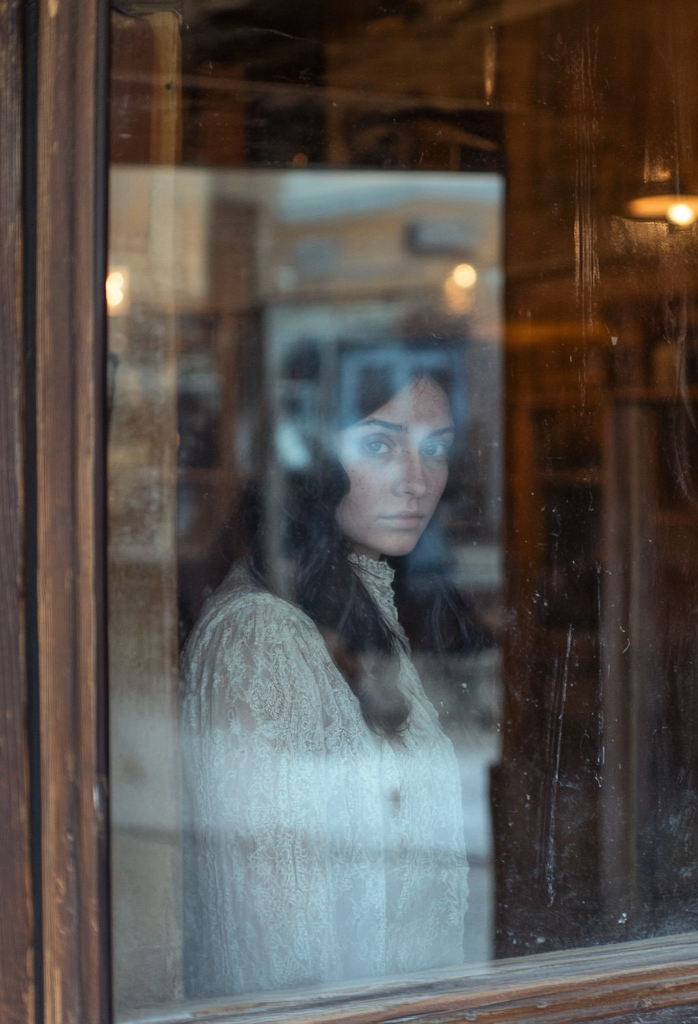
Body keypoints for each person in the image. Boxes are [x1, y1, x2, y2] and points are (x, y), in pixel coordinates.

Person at [180, 363, 471, 998]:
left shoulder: (361, 600)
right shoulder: (263, 637)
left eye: (436, 447)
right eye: (379, 444)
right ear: (311, 455)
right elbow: (284, 960)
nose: (418, 481)